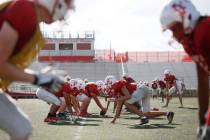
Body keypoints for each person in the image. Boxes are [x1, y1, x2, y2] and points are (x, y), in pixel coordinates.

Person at [0, 0, 75, 139]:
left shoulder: (29, 17)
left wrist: (39, 77)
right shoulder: (25, 10)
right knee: (21, 128)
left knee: (22, 128)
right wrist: (38, 78)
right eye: (64, 8)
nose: (62, 16)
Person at [160, 0, 210, 138]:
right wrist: (202, 120)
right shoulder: (190, 42)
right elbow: (203, 79)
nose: (174, 35)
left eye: (174, 29)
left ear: (187, 17)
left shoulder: (205, 30)